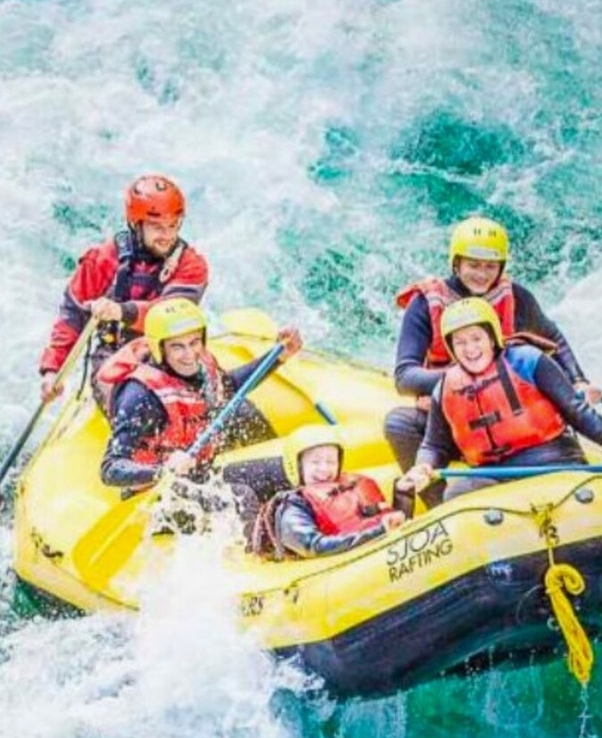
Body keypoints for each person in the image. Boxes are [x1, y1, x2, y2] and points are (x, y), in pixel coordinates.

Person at [384, 216, 600, 471]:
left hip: (516, 420)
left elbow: (555, 341)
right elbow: (404, 377)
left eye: (490, 266)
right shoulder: (425, 303)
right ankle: (440, 501)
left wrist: (579, 381)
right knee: (399, 424)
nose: (482, 275)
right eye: (473, 265)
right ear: (456, 263)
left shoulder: (515, 297)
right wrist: (467, 378)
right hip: (459, 421)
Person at [396, 299, 602, 507]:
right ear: (451, 348)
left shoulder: (527, 361)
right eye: (460, 342)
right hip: (493, 475)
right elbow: (434, 445)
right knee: (456, 495)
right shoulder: (445, 387)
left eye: (476, 338)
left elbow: (579, 413)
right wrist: (423, 467)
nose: (470, 349)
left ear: (492, 338)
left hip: (552, 462)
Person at [38, 174, 210, 405]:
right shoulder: (101, 260)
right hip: (114, 355)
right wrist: (52, 370)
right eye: (157, 227)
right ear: (135, 224)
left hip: (174, 350)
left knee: (213, 393)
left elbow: (167, 314)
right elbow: (72, 316)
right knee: (132, 406)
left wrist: (121, 311)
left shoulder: (191, 264)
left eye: (173, 225)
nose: (168, 235)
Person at [99, 298, 301, 491]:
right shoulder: (141, 396)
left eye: (194, 342)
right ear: (159, 349)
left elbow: (227, 387)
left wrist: (278, 357)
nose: (189, 354)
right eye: (177, 346)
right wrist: (161, 472)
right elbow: (111, 467)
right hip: (162, 488)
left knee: (283, 468)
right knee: (242, 494)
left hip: (199, 467)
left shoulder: (200, 363)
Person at [249, 424, 408, 559]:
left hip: (373, 551)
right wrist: (379, 532)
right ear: (296, 466)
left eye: (330, 461)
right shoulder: (294, 508)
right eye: (315, 462)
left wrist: (404, 493)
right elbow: (314, 547)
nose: (324, 469)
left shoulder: (350, 489)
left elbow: (393, 521)